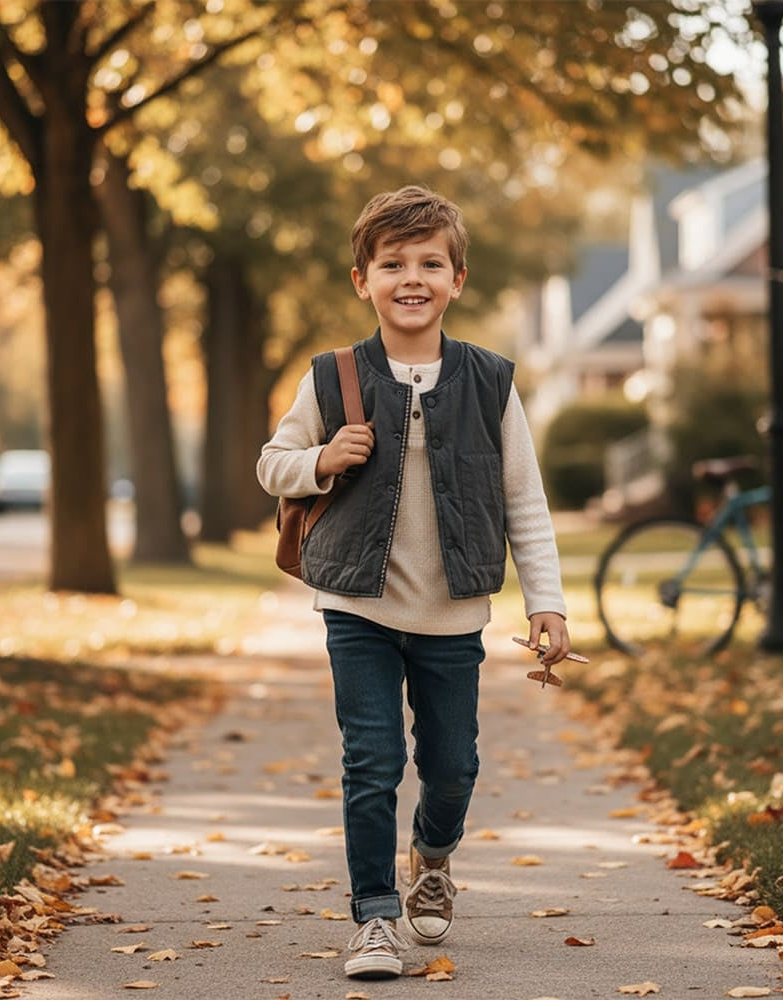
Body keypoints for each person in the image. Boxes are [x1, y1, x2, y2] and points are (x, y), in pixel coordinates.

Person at [256, 185, 570, 980]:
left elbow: (523, 500)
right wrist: (319, 460)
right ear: (362, 279)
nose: (412, 278)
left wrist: (548, 603)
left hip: (453, 612)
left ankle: (432, 857)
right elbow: (272, 463)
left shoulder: (490, 381)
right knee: (371, 763)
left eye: (431, 262)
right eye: (392, 263)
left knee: (453, 767)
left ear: (457, 280)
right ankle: (374, 917)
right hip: (357, 606)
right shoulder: (330, 377)